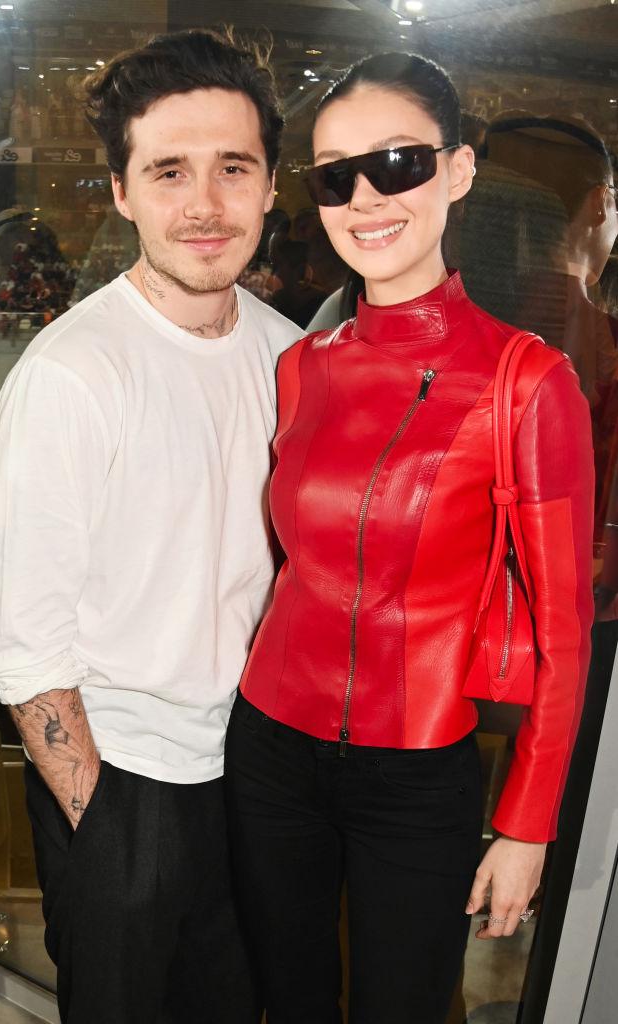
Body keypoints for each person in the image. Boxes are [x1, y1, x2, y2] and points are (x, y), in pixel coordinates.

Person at [224, 52, 594, 1024]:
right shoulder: (304, 364)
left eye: (397, 163)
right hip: (269, 749)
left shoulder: (527, 381)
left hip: (419, 768)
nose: (365, 199)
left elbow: (564, 635)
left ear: (458, 170)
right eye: (335, 176)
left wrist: (527, 825)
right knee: (287, 1001)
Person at [0, 29, 300, 1024]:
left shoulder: (294, 356)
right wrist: (104, 822)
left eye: (232, 168)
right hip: (122, 775)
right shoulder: (74, 373)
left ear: (271, 185)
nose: (204, 205)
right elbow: (25, 642)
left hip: (257, 770)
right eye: (169, 171)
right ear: (123, 192)